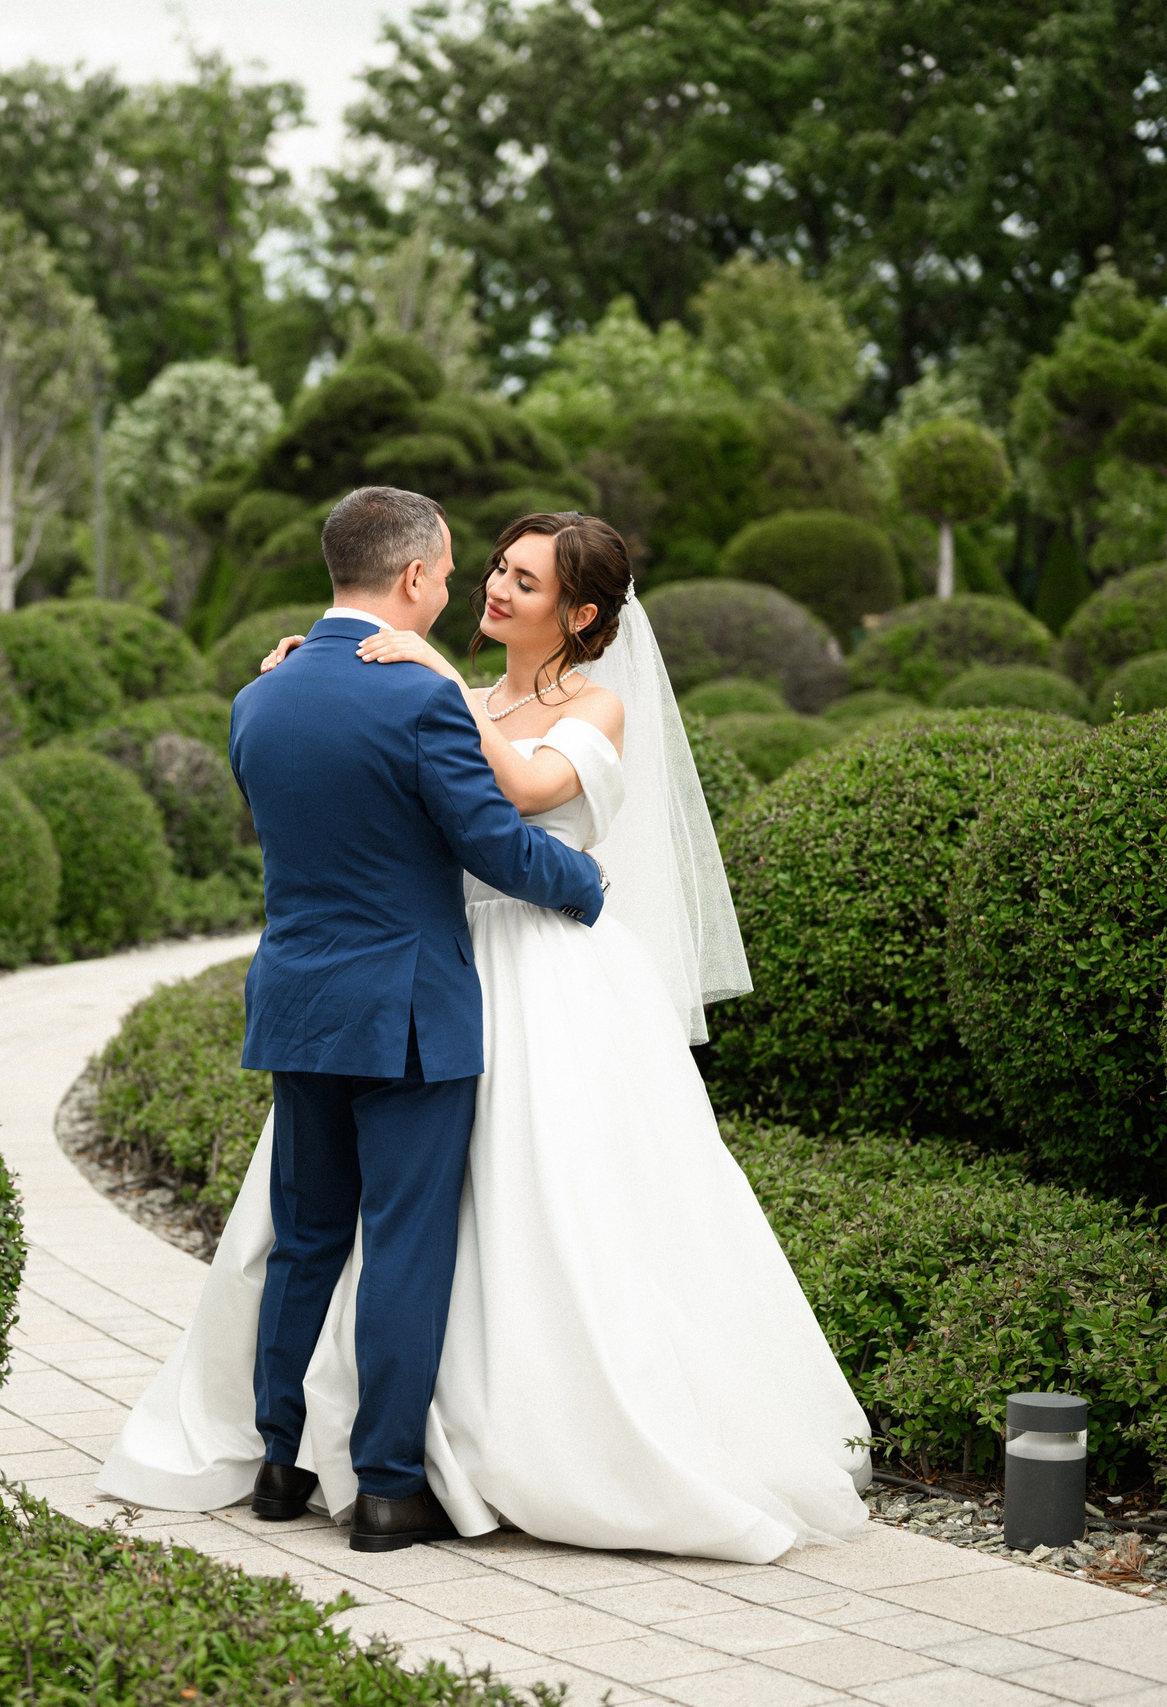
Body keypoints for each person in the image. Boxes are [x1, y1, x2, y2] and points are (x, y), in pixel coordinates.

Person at [97, 507, 871, 1564]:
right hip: (426, 986)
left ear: (582, 613)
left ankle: (289, 1457)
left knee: (362, 1230)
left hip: (456, 989)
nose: (491, 590)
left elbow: (516, 790)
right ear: (418, 574)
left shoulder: (310, 696)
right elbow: (490, 839)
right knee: (399, 1240)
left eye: (521, 580)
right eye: (486, 570)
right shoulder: (419, 691)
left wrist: (400, 676)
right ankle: (382, 1483)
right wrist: (585, 878)